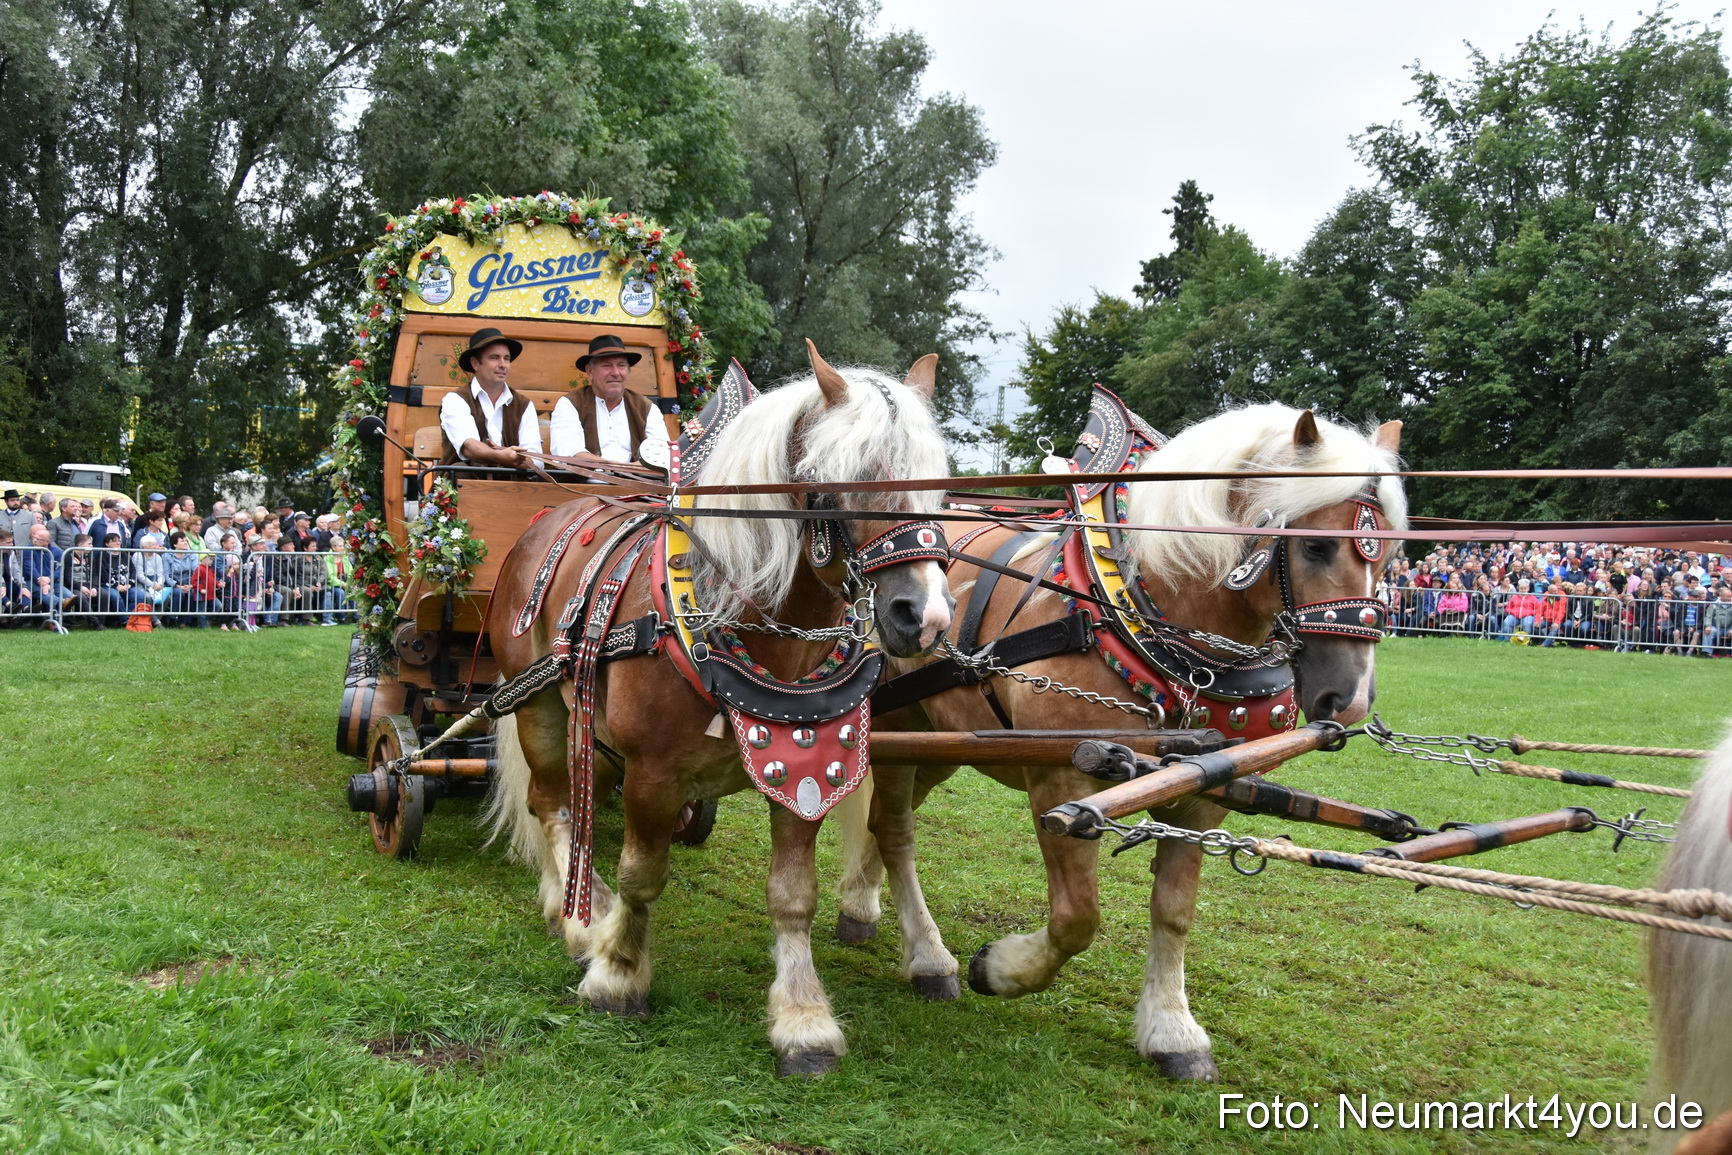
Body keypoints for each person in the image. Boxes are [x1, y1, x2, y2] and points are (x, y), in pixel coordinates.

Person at [437, 327, 542, 467]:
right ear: (475, 363)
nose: (503, 365)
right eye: (494, 358)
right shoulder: (455, 400)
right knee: (460, 469)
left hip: (512, 487)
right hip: (464, 485)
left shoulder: (524, 405)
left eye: (507, 359)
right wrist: (502, 456)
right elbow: (469, 447)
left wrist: (516, 459)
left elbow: (536, 460)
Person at [550, 334, 655, 465]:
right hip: (584, 484)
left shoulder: (646, 407)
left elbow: (661, 455)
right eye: (607, 366)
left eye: (621, 366)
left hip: (637, 483)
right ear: (590, 371)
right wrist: (615, 467)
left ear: (628, 371)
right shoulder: (570, 403)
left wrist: (629, 471)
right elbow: (569, 453)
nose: (616, 373)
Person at [1704, 585, 1732, 656]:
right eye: (1727, 597)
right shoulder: (1714, 604)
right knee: (1709, 631)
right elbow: (1708, 616)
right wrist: (1708, 626)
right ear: (1721, 596)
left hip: (1729, 628)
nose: (1729, 598)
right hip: (1716, 627)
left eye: (1730, 596)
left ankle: (1730, 653)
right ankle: (1708, 653)